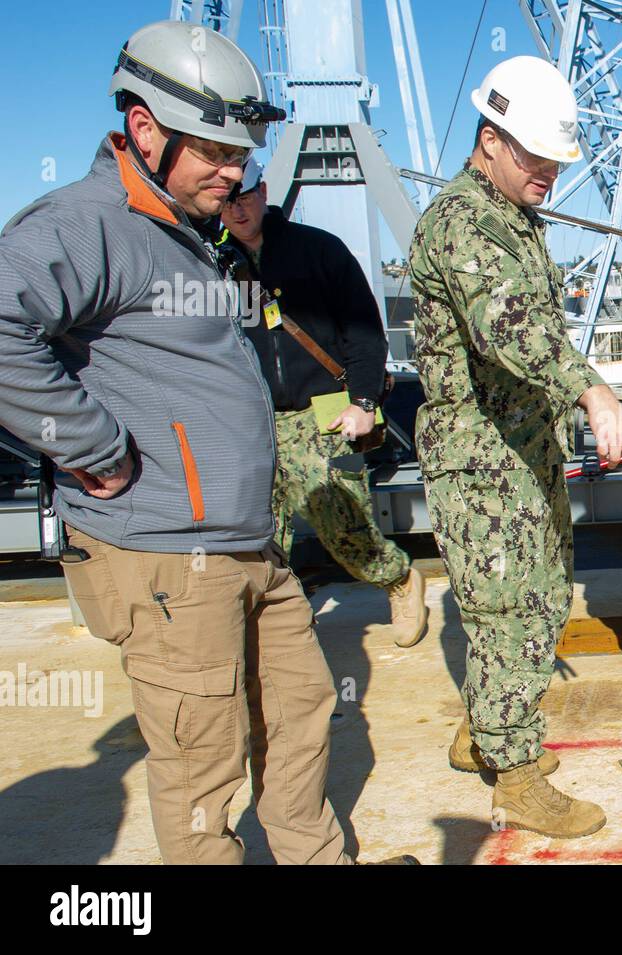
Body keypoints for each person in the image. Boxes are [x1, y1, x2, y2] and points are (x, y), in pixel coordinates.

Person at [0, 21, 406, 863]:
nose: (235, 171)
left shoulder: (186, 229)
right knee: (200, 769)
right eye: (216, 150)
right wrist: (90, 445)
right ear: (144, 129)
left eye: (243, 153)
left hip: (248, 544)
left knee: (300, 709)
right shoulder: (88, 222)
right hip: (168, 559)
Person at [407, 56, 622, 838]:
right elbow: (510, 326)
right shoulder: (461, 222)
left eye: (556, 160)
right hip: (481, 459)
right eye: (536, 157)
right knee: (507, 608)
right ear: (490, 140)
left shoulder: (516, 219)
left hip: (522, 449)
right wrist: (595, 390)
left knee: (544, 596)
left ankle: (488, 728)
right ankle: (513, 773)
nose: (550, 172)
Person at [220, 161, 428, 648]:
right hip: (254, 415)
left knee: (342, 522)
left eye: (245, 196)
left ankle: (397, 578)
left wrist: (362, 400)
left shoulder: (318, 249)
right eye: (227, 200)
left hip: (325, 406)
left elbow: (364, 333)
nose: (238, 208)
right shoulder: (216, 263)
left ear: (263, 191)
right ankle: (279, 619)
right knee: (260, 530)